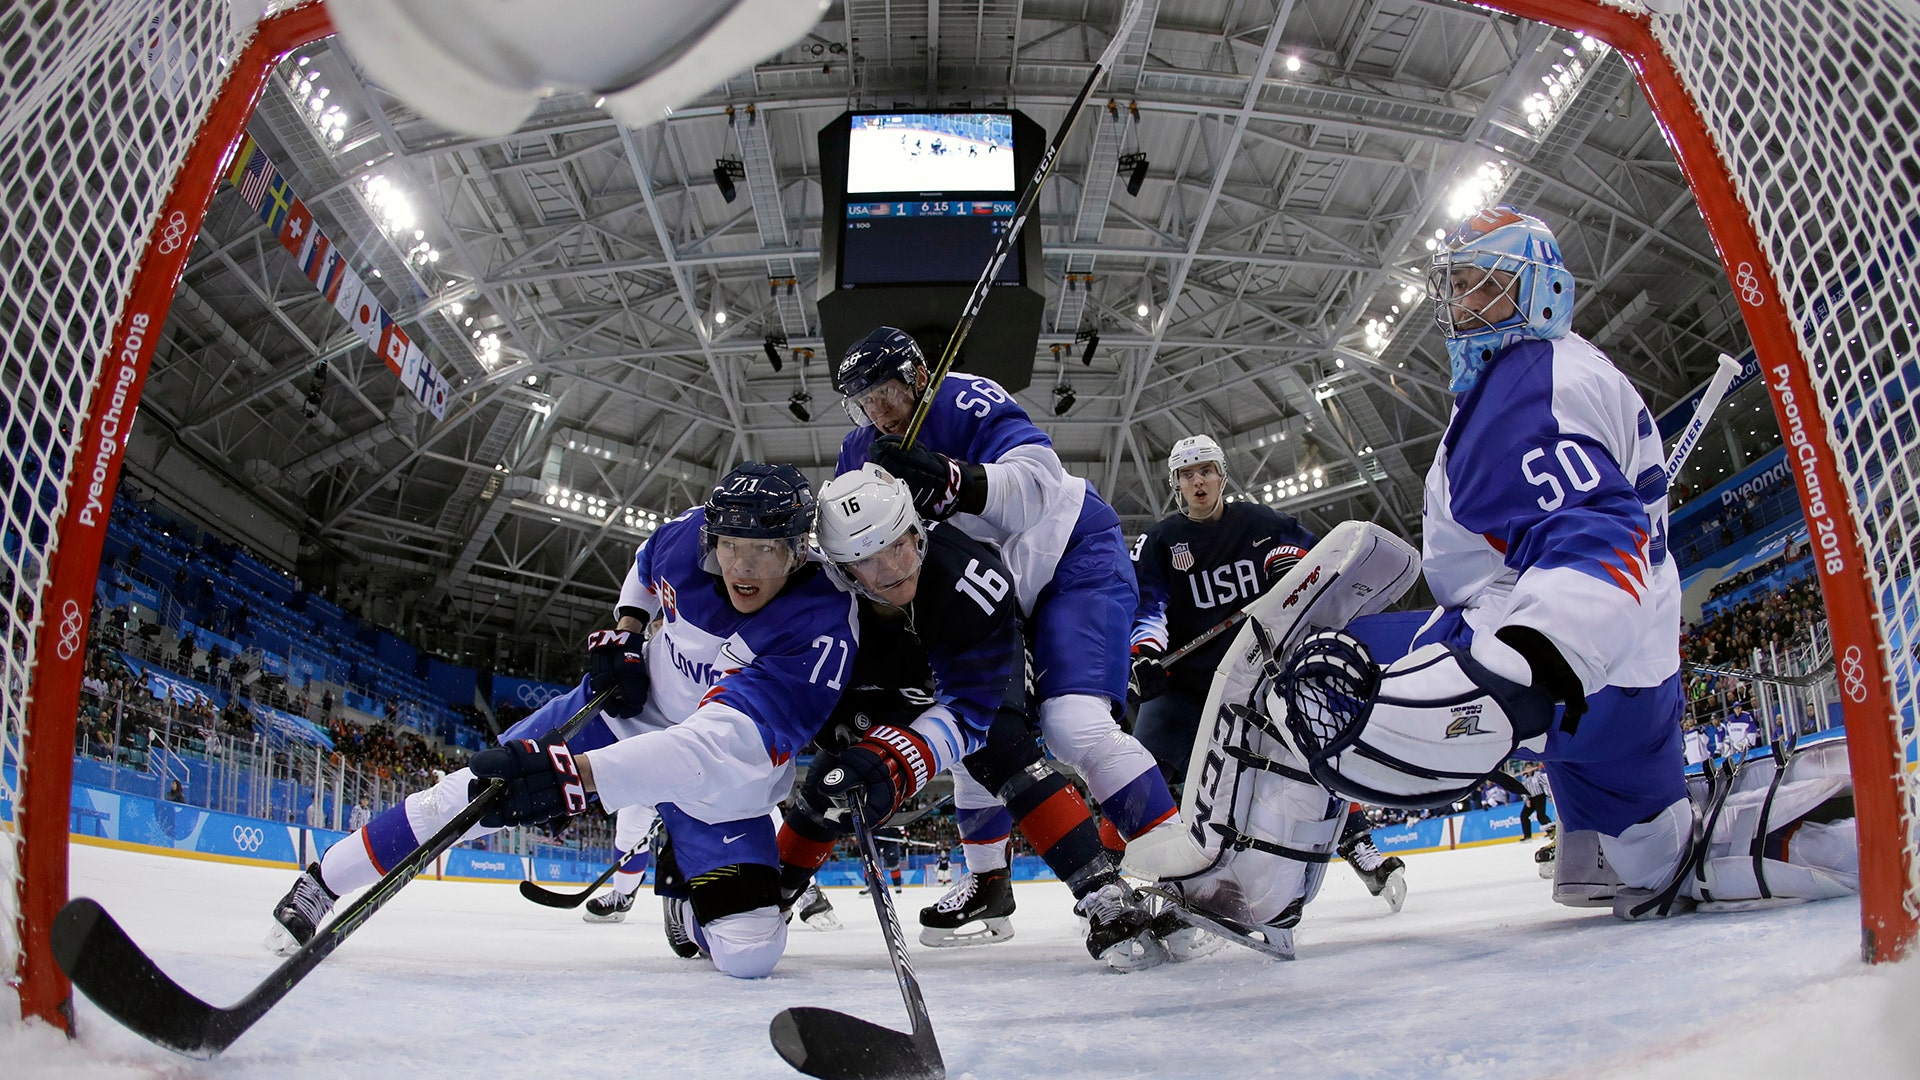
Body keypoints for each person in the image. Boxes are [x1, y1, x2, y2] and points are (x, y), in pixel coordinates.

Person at [1270, 206, 1860, 919]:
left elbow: (1593, 541)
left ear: (1542, 291)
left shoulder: (1527, 386)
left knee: (1314, 668)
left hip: (1570, 666)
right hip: (1638, 678)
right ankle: (1756, 830)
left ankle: (1248, 879)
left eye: (1486, 286)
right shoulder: (1568, 368)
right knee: (1650, 863)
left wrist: (1533, 661)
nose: (1464, 304)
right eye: (1457, 286)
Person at [269, 462, 859, 978]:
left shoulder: (822, 623)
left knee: (750, 956)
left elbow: (712, 751)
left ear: (798, 548)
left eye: (765, 549)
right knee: (467, 795)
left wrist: (571, 778)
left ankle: (684, 874)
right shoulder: (685, 538)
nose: (742, 566)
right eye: (729, 544)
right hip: (630, 717)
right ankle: (321, 884)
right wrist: (627, 634)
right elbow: (643, 567)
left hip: (720, 778)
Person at [831, 326, 1202, 887]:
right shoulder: (859, 452)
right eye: (865, 402)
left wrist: (955, 481)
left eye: (888, 393)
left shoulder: (965, 399)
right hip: (989, 595)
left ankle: (1182, 865)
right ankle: (988, 886)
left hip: (1070, 560)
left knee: (1071, 724)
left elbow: (1039, 484)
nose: (880, 412)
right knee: (976, 732)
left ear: (920, 377)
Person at [775, 466, 1177, 969]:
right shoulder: (818, 601)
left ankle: (1102, 892)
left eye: (898, 545)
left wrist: (898, 761)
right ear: (838, 569)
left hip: (976, 655)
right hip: (885, 672)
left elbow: (973, 712)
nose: (891, 569)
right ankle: (773, 898)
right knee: (827, 782)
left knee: (1000, 745)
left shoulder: (968, 574)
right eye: (865, 561)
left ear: (917, 528)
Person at [1129, 433, 1408, 911]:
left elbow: (1315, 560)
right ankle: (1122, 881)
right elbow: (1148, 606)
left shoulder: (1260, 521)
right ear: (1176, 484)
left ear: (1221, 476)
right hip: (1186, 686)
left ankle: (1359, 846)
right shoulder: (1163, 541)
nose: (1198, 481)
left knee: (1313, 746)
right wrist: (1145, 655)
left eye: (1206, 471)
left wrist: (1293, 571)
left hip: (1254, 676)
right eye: (1188, 474)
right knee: (1135, 773)